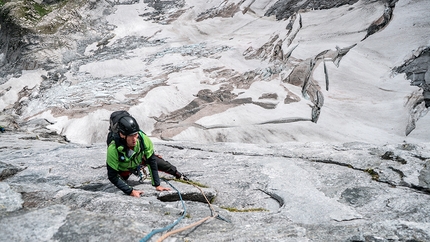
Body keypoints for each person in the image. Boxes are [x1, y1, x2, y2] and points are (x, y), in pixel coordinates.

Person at [106, 116, 188, 197]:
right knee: (122, 179)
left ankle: (179, 175)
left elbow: (152, 161)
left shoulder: (143, 139)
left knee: (160, 163)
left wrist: (157, 185)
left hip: (138, 161)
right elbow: (112, 176)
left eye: (136, 134)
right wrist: (130, 191)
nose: (134, 139)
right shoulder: (113, 149)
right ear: (122, 135)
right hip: (123, 169)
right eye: (131, 136)